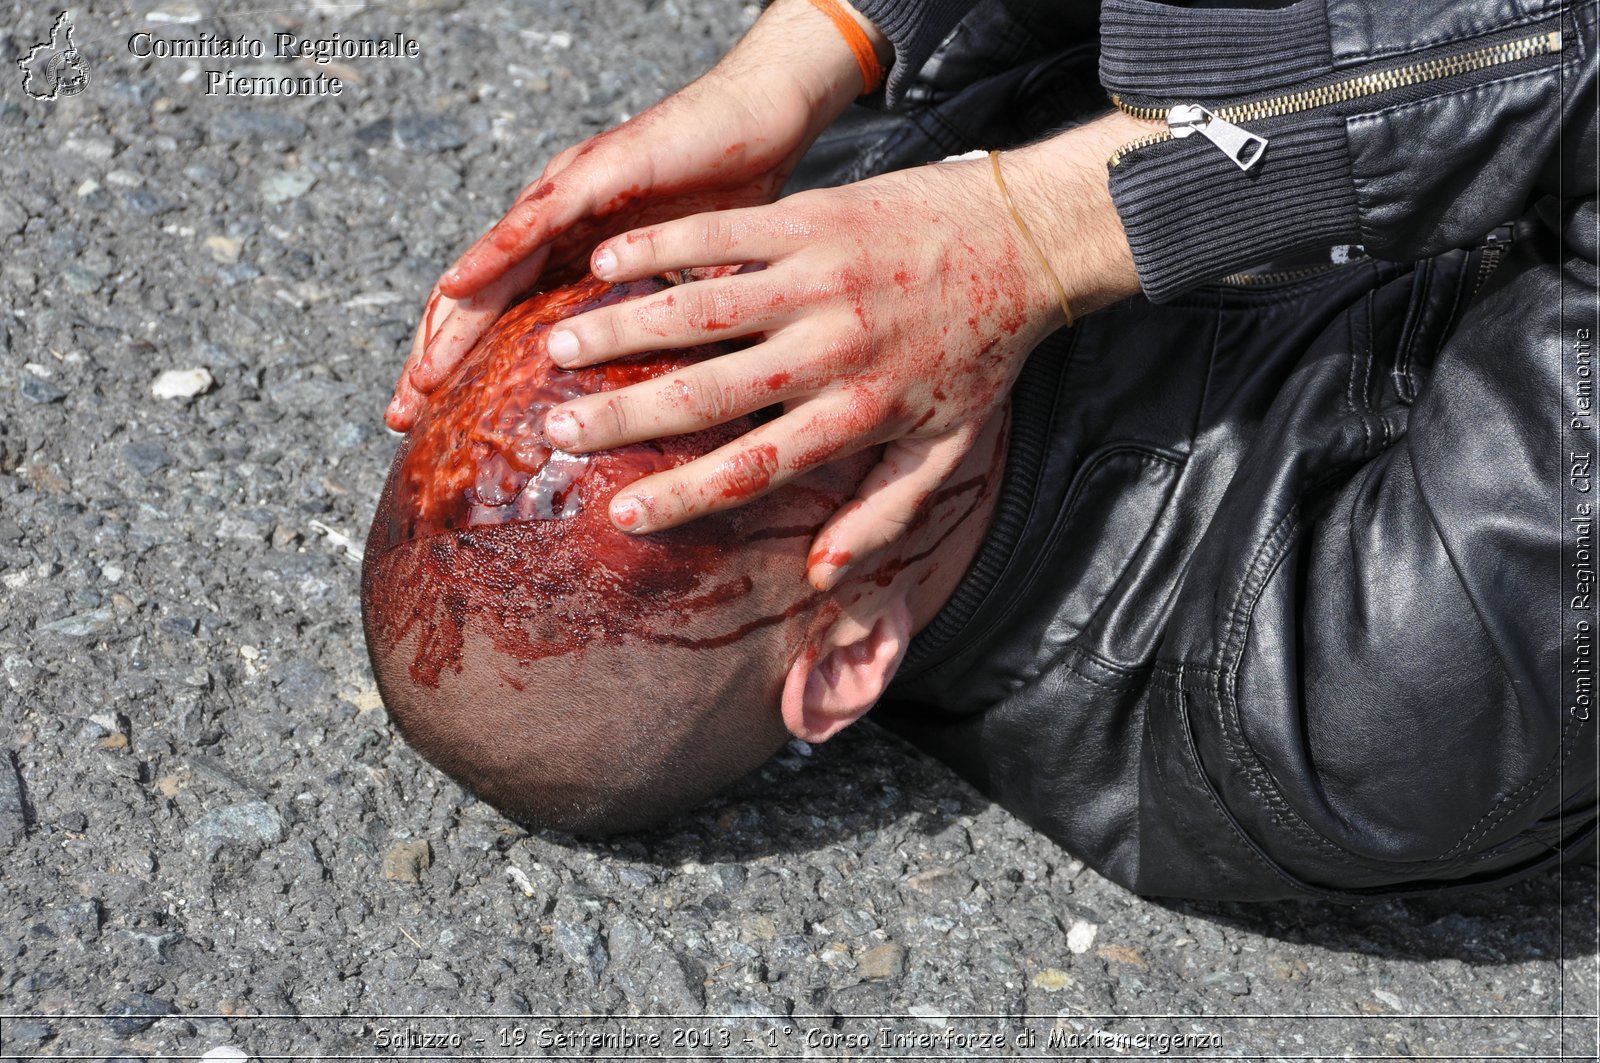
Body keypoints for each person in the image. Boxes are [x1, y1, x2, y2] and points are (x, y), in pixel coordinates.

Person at [371, 0, 1599, 899]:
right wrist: (1046, 226)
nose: (761, 290)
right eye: (765, 405)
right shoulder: (1338, 703)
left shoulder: (835, 222)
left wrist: (830, 44)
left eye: (656, 305)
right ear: (848, 648)